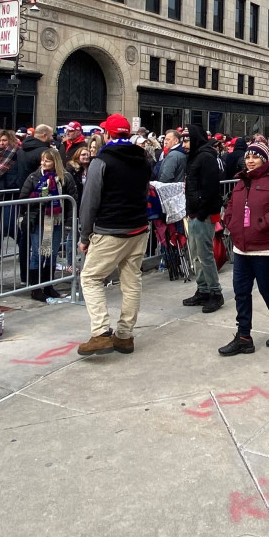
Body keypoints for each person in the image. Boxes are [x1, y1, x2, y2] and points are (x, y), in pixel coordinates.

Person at [74, 113, 151, 355]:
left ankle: (100, 333)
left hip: (111, 230)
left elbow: (89, 203)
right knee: (131, 281)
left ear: (107, 134)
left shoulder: (102, 161)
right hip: (138, 228)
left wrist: (84, 236)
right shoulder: (144, 159)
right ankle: (125, 335)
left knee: (90, 278)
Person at [218, 143, 269, 355]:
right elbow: (232, 207)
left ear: (264, 158)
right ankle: (244, 336)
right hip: (242, 247)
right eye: (248, 157)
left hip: (265, 247)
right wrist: (231, 222)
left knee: (266, 288)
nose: (250, 160)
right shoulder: (242, 181)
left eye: (255, 156)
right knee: (241, 291)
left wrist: (264, 222)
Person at [18, 145, 74, 300]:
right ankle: (36, 289)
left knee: (52, 254)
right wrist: (39, 197)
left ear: (55, 162)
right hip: (38, 220)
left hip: (56, 221)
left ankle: (48, 286)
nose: (43, 163)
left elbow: (71, 202)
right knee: (37, 253)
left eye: (47, 161)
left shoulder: (65, 177)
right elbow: (23, 198)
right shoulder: (34, 177)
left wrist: (68, 223)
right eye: (42, 160)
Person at [182, 124, 225, 312]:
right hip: (195, 213)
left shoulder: (206, 157)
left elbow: (210, 189)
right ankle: (203, 289)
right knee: (196, 254)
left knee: (205, 254)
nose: (184, 143)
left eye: (187, 139)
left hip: (203, 214)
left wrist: (200, 213)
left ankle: (215, 293)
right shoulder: (195, 157)